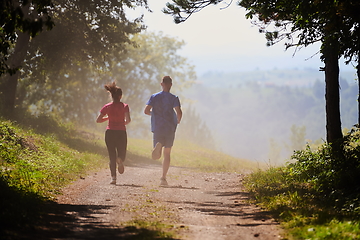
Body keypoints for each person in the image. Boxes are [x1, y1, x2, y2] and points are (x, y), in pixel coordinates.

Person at [144, 76, 182, 186]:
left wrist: (154, 115)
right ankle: (163, 178)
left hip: (158, 127)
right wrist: (177, 121)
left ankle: (158, 144)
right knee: (167, 153)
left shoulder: (154, 97)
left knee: (157, 155)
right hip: (170, 127)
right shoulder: (174, 98)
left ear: (162, 84)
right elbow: (179, 112)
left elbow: (146, 111)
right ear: (171, 84)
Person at [96, 82, 131, 184]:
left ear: (111, 96)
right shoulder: (125, 106)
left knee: (112, 155)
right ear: (120, 96)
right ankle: (120, 160)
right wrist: (122, 122)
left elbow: (98, 120)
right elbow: (128, 120)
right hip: (121, 132)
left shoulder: (107, 106)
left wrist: (108, 117)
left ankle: (113, 178)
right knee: (122, 153)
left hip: (110, 132)